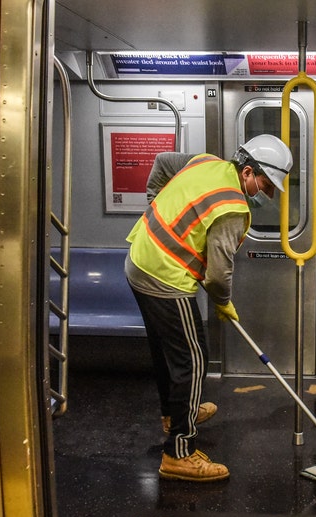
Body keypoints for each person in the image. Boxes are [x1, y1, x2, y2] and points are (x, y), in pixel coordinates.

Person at [124, 134, 292, 481]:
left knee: (165, 350)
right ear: (247, 171)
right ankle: (179, 453)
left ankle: (175, 414)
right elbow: (217, 275)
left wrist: (154, 205)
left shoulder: (205, 161)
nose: (264, 192)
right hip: (165, 277)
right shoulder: (233, 208)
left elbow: (161, 162)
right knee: (194, 358)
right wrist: (223, 303)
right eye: (263, 183)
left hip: (140, 259)